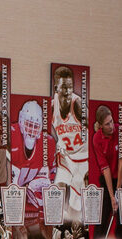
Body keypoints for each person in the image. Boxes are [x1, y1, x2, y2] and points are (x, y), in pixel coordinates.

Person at [11, 99, 56, 237]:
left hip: (31, 201)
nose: (31, 130)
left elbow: (52, 175)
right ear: (21, 121)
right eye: (28, 124)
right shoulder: (11, 134)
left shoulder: (48, 142)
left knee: (46, 185)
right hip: (11, 196)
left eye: (35, 126)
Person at [50, 65, 88, 220]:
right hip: (66, 155)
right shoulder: (52, 106)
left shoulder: (77, 104)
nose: (67, 92)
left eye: (70, 88)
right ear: (56, 88)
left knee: (75, 205)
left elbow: (93, 129)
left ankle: (74, 227)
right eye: (64, 87)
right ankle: (57, 226)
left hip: (83, 157)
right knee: (58, 187)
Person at [90, 105, 122, 237]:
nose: (112, 126)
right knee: (102, 220)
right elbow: (105, 169)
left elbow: (121, 164)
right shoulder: (96, 139)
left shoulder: (121, 131)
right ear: (101, 125)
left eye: (112, 121)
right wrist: (112, 196)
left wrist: (118, 192)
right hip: (108, 181)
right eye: (107, 124)